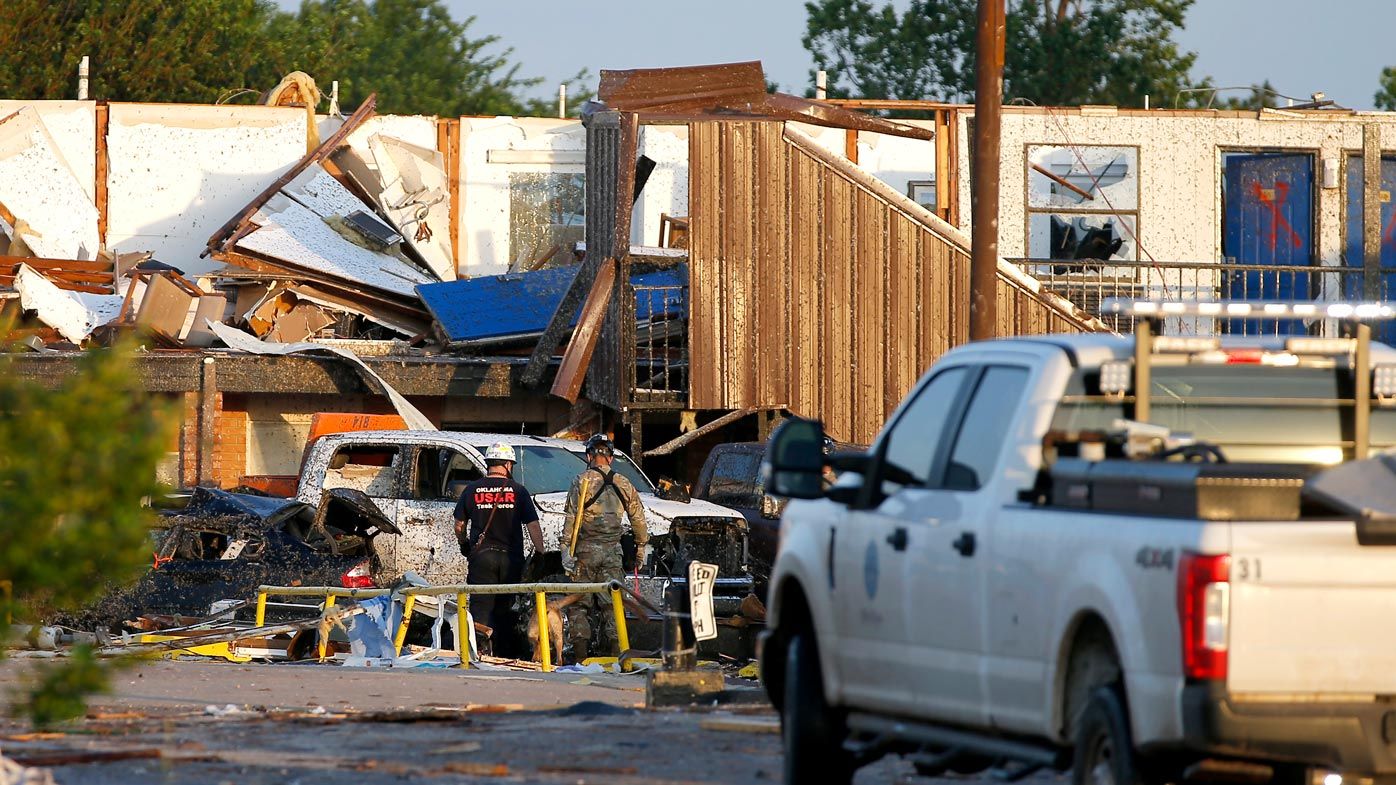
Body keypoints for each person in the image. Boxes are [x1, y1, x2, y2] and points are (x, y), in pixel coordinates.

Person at [560, 433, 649, 661]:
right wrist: (640, 548)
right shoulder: (624, 482)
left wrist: (564, 550)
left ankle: (581, 658)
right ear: (610, 458)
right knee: (613, 604)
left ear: (589, 455)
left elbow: (572, 518)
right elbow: (638, 519)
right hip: (612, 552)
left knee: (579, 604)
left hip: (585, 553)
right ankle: (617, 656)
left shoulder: (581, 481)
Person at [454, 442, 543, 659]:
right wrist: (540, 554)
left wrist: (464, 544)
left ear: (488, 464)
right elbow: (533, 527)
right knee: (506, 610)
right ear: (507, 465)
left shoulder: (472, 489)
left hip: (482, 558)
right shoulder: (519, 491)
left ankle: (479, 654)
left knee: (481, 608)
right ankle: (504, 655)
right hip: (511, 560)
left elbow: (459, 525)